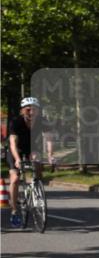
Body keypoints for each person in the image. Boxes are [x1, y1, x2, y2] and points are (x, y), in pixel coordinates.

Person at [7, 97, 54, 227]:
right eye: (28, 110)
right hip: (16, 150)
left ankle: (36, 188)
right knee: (15, 178)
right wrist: (17, 159)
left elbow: (49, 139)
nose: (32, 112)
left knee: (38, 164)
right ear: (22, 111)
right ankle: (14, 210)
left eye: (34, 110)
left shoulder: (43, 121)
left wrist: (50, 155)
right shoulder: (16, 122)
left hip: (33, 149)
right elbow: (12, 144)